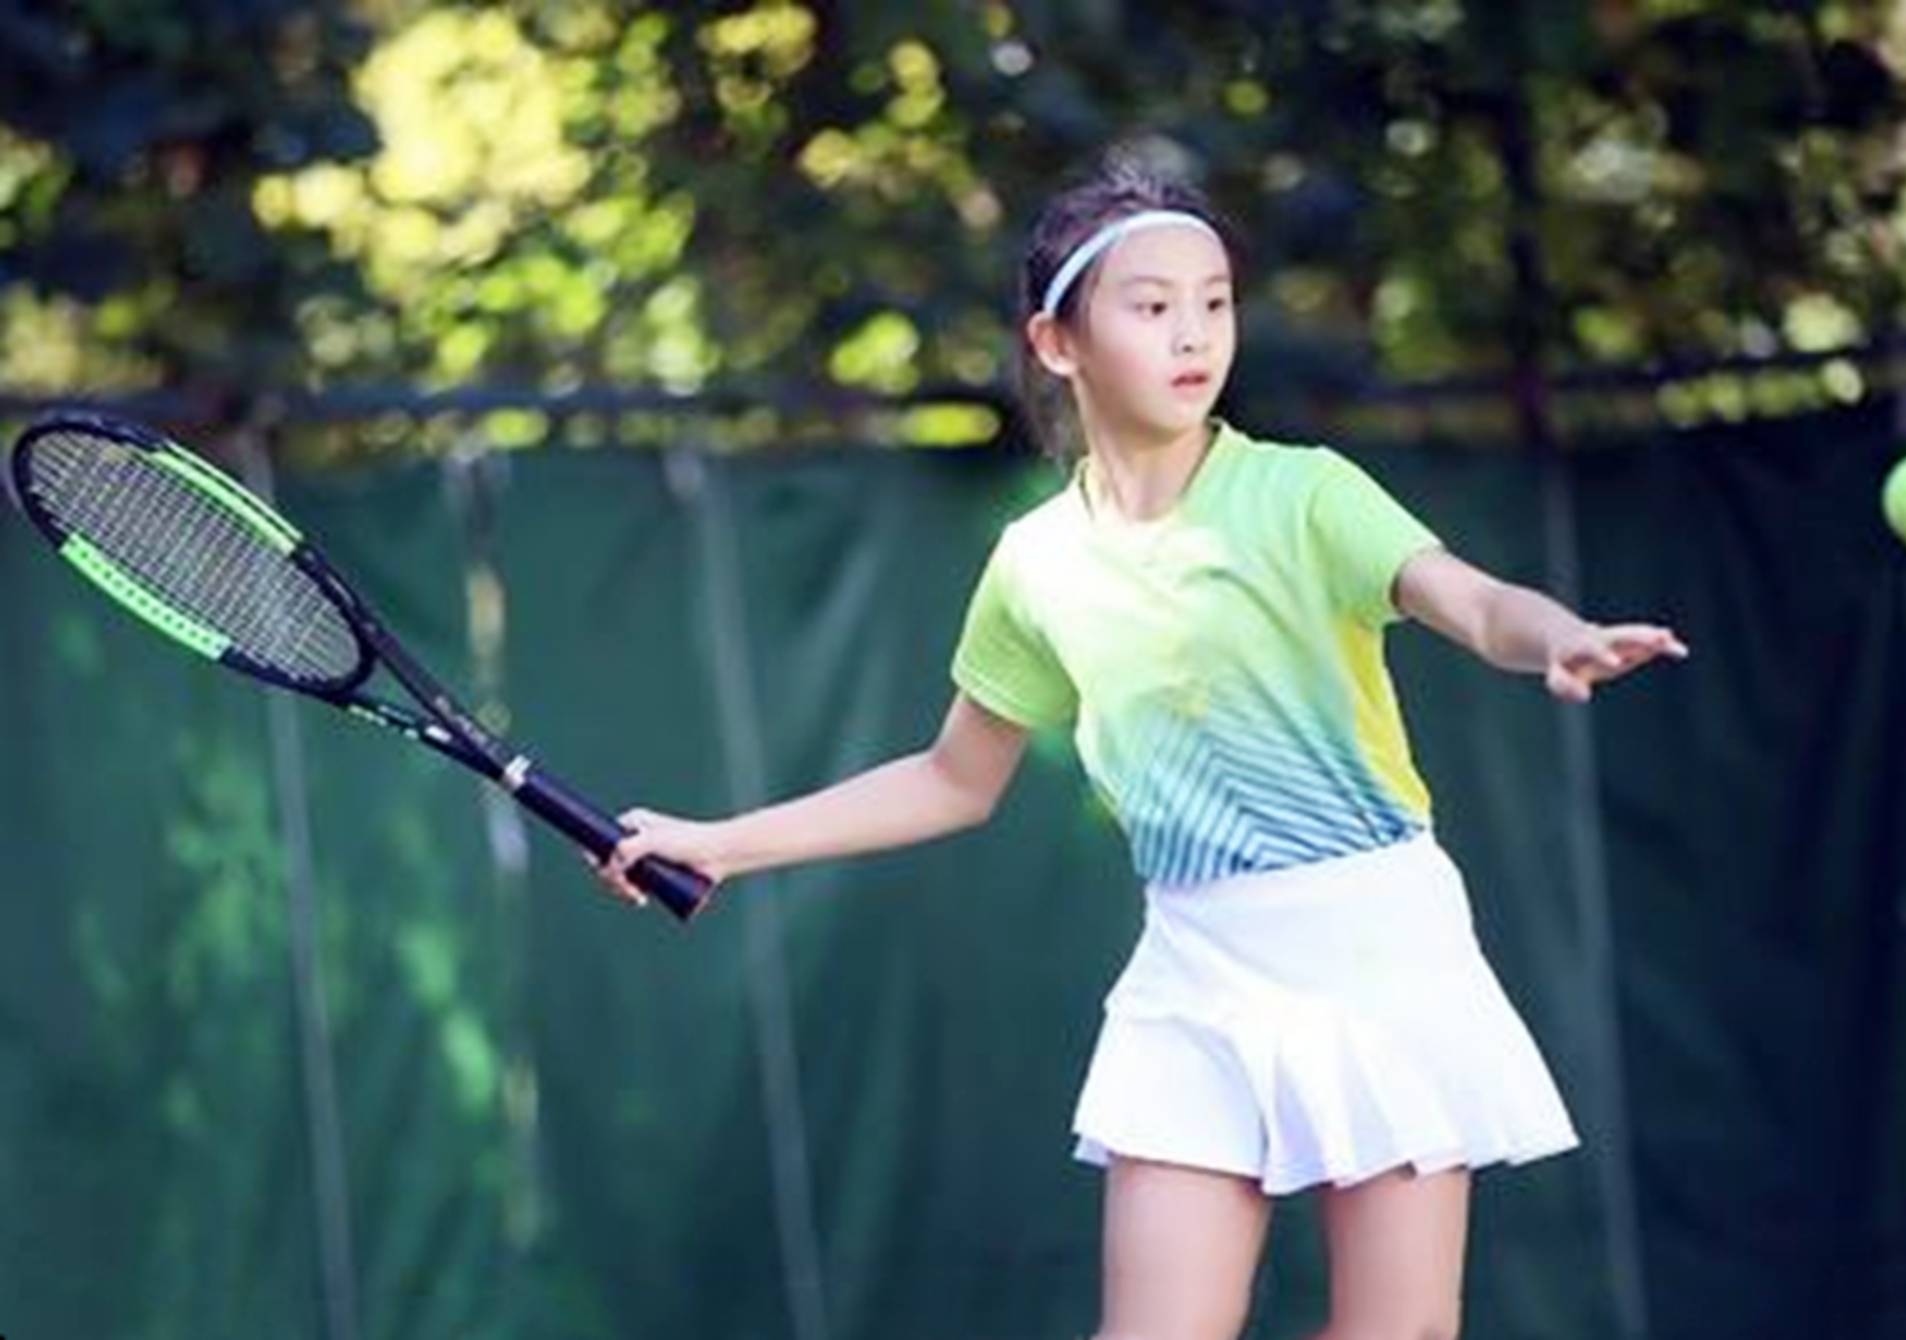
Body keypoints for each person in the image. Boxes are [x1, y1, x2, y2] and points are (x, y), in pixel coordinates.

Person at [594, 160, 1688, 1340]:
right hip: (1197, 965)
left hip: (1379, 939)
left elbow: (1470, 603)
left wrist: (1556, 637)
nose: (1193, 333)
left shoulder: (1307, 494)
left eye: (1213, 301)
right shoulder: (1034, 564)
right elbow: (951, 776)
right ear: (1057, 342)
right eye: (1151, 304)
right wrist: (721, 843)